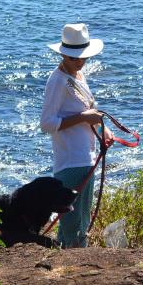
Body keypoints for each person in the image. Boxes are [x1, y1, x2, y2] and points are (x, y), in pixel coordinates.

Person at [41, 22, 110, 248]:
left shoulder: (78, 76)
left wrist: (103, 128)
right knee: (70, 222)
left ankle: (79, 258)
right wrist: (83, 118)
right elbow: (47, 123)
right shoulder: (57, 82)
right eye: (74, 58)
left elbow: (88, 107)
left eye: (83, 58)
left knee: (83, 219)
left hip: (86, 156)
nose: (79, 62)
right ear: (62, 54)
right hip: (70, 161)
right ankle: (68, 267)